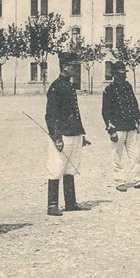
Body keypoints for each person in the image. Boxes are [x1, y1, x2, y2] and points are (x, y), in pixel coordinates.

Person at [45, 51, 90, 216]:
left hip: (74, 133)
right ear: (64, 67)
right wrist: (56, 137)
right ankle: (52, 205)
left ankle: (70, 203)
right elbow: (50, 115)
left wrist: (81, 134)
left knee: (71, 168)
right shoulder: (56, 87)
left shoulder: (70, 85)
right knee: (56, 167)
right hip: (62, 135)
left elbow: (75, 112)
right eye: (73, 66)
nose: (76, 69)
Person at [102, 61, 140, 192]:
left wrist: (139, 120)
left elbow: (134, 104)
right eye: (121, 73)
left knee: (135, 155)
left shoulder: (128, 87)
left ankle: (138, 180)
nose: (124, 76)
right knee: (117, 156)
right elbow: (105, 111)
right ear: (115, 74)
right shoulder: (109, 90)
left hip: (131, 126)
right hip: (118, 127)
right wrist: (111, 129)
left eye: (124, 73)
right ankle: (120, 181)